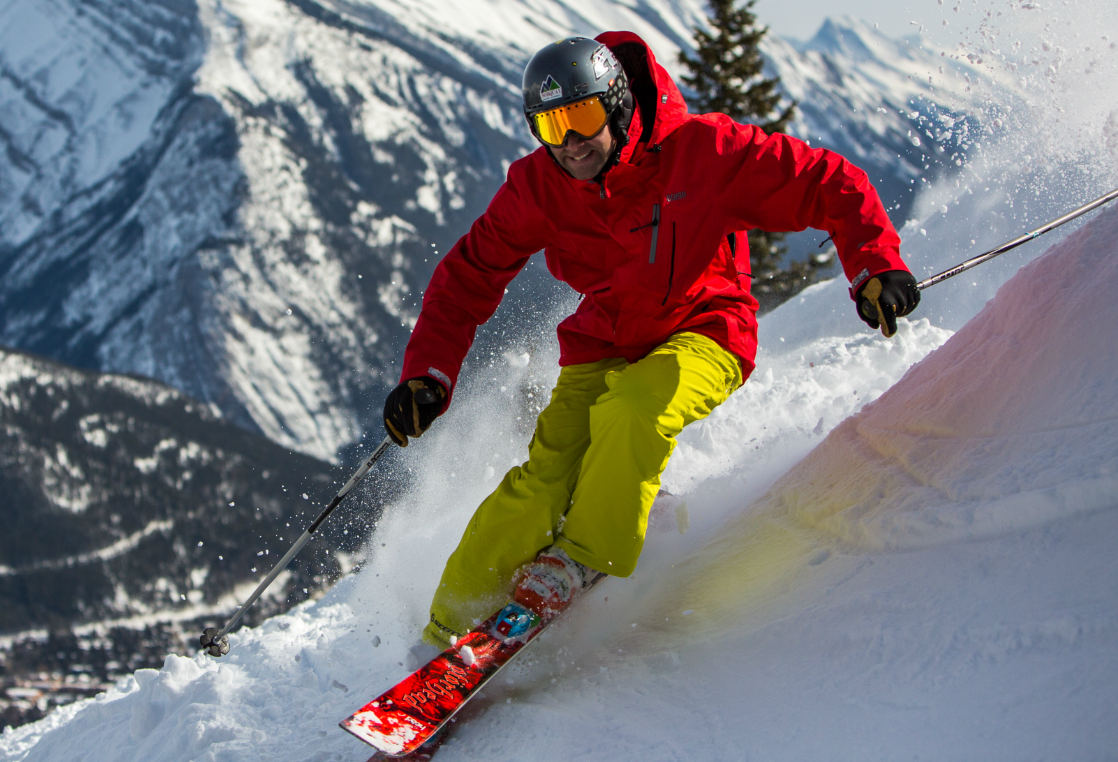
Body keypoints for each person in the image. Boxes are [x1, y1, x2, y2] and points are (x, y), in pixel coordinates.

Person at [383, 32, 920, 650]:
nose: (571, 142)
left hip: (707, 327)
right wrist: (428, 373)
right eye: (550, 126)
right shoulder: (541, 185)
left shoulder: (705, 153)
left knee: (636, 406)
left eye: (582, 117)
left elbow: (825, 180)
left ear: (615, 104)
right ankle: (446, 630)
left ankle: (580, 558)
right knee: (545, 478)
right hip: (606, 336)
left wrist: (875, 262)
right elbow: (469, 274)